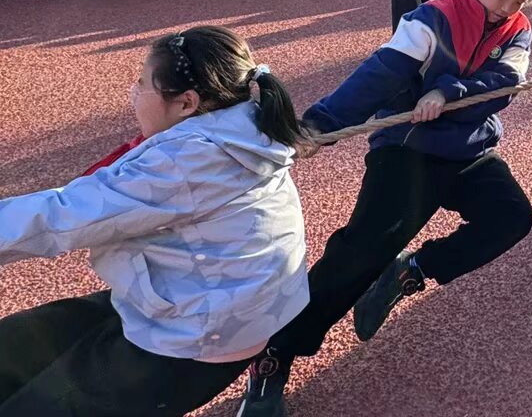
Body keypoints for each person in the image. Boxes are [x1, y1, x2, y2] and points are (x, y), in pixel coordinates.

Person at [241, 0, 532, 416]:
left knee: (511, 217)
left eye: (518, 2)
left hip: (467, 149)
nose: (507, 9)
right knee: (359, 252)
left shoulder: (518, 31)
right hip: (407, 147)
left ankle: (412, 270)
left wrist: (448, 91)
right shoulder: (430, 20)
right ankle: (275, 355)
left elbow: (501, 87)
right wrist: (321, 127)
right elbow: (377, 77)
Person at [0, 27, 309, 416]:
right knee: (11, 347)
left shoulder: (185, 162)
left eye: (142, 82)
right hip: (213, 305)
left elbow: (60, 217)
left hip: (197, 338)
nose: (134, 92)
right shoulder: (247, 125)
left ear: (186, 102)